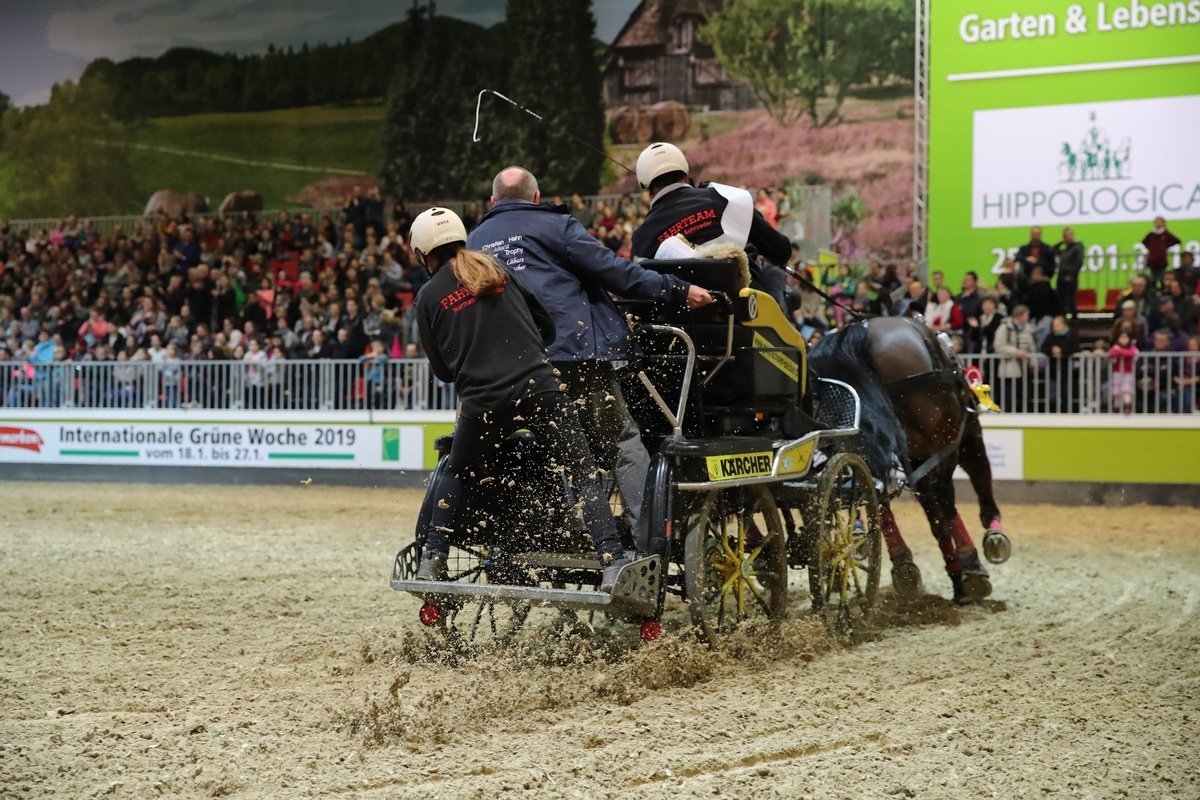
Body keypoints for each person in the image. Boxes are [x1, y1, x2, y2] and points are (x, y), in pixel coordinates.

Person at [467, 166, 712, 534]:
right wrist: (677, 289)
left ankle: (560, 531)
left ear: (492, 201)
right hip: (567, 355)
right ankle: (646, 534)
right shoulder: (557, 226)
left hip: (501, 369)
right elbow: (614, 271)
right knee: (621, 440)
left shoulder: (474, 241)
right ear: (537, 198)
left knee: (552, 445)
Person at [409, 208, 632, 588]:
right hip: (539, 388)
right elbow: (545, 323)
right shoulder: (495, 269)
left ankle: (433, 558)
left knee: (456, 470)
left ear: (423, 252)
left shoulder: (428, 296)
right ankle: (610, 558)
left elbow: (443, 372)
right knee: (581, 469)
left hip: (483, 402)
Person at [630, 142, 792, 307]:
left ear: (649, 191)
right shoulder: (726, 198)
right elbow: (781, 251)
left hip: (680, 325)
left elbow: (639, 293)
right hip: (745, 311)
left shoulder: (641, 236)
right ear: (686, 176)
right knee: (773, 271)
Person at [1142, 216, 1181, 289]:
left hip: (1161, 260)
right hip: (1153, 260)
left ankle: (1163, 291)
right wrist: (1152, 248)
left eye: (1159, 222)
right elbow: (1144, 241)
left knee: (1162, 278)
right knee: (1152, 278)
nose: (1158, 224)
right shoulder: (1151, 234)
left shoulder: (1166, 234)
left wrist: (1166, 246)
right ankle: (1153, 291)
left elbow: (1177, 240)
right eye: (1156, 222)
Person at [1054, 228, 1084, 319]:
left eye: (1070, 235)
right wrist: (1061, 242)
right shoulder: (1064, 250)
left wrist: (1071, 275)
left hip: (1070, 278)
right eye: (1066, 236)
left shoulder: (1078, 247)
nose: (1068, 237)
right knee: (1061, 300)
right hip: (1061, 277)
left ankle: (1074, 319)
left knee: (1070, 300)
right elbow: (1052, 251)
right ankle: (1062, 319)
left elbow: (1078, 262)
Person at [1108, 331, 1137, 414]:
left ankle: (1127, 406)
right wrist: (1118, 350)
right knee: (1116, 391)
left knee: (1126, 390)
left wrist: (1119, 350)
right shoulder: (1115, 346)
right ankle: (1116, 407)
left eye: (1125, 338)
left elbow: (1131, 353)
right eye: (1121, 338)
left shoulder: (1132, 347)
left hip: (1128, 373)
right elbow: (1111, 352)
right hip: (1117, 373)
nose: (1123, 340)